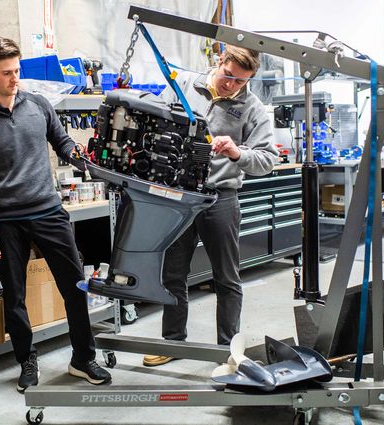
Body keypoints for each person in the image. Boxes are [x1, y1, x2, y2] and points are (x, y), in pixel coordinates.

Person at [0, 36, 111, 391]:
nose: (15, 79)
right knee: (15, 297)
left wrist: (79, 155)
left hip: (49, 212)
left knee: (75, 286)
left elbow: (63, 143)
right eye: (7, 73)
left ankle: (83, 359)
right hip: (5, 221)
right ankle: (26, 361)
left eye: (17, 70)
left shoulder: (39, 105)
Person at [143, 45, 278, 366]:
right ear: (220, 62)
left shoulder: (252, 108)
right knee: (173, 273)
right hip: (178, 196)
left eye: (241, 82)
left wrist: (236, 152)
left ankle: (227, 351)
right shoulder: (185, 84)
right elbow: (155, 120)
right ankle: (173, 343)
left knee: (226, 278)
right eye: (229, 77)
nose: (232, 86)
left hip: (220, 198)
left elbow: (268, 159)